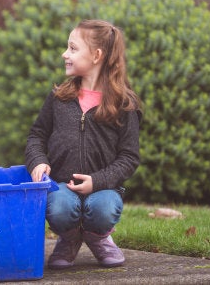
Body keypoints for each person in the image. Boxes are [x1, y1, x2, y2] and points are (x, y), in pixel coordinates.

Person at [25, 19, 141, 269]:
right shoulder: (59, 97)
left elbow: (129, 157)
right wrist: (38, 161)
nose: (64, 54)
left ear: (97, 55)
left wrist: (97, 182)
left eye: (73, 48)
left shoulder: (124, 104)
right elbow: (37, 135)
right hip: (61, 186)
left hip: (104, 187)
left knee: (103, 209)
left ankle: (97, 237)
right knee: (58, 208)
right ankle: (69, 238)